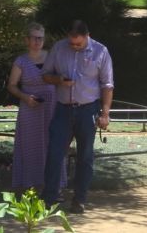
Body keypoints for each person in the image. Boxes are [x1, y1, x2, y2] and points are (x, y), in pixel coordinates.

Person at [41, 19, 113, 214]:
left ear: (87, 37)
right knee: (55, 154)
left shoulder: (100, 51)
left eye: (78, 44)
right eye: (71, 43)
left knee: (85, 156)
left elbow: (107, 85)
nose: (74, 46)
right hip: (63, 109)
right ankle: (49, 199)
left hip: (87, 109)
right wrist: (58, 80)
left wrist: (105, 113)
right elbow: (45, 75)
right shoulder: (58, 48)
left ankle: (79, 199)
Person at [7, 21, 60, 193]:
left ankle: (53, 186)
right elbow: (12, 85)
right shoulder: (21, 61)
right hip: (29, 108)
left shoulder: (52, 57)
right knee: (29, 146)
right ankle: (30, 185)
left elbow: (62, 78)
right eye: (34, 38)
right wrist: (25, 97)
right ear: (27, 40)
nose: (38, 41)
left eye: (41, 38)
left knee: (52, 144)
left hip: (50, 107)